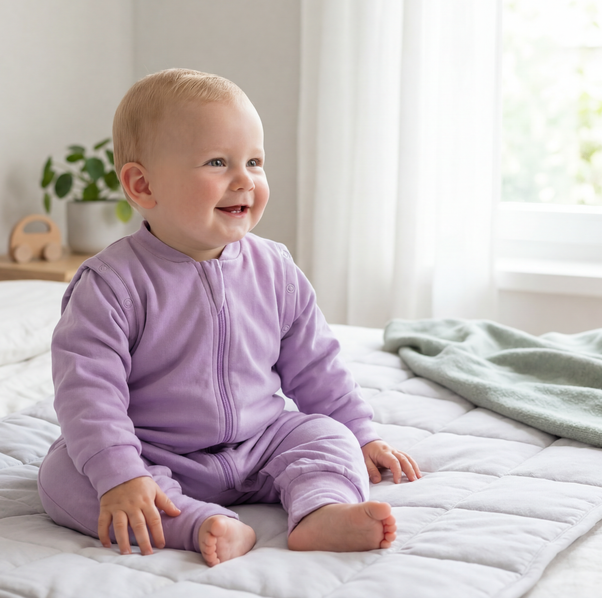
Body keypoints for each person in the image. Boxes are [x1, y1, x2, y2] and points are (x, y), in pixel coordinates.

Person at [37, 68, 421, 567]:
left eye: (254, 162)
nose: (245, 180)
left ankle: (321, 509)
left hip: (261, 442)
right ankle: (198, 523)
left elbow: (316, 366)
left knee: (329, 437)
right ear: (143, 185)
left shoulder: (275, 269)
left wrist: (362, 433)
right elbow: (88, 394)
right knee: (65, 476)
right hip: (154, 452)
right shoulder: (111, 285)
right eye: (218, 162)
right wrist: (122, 474)